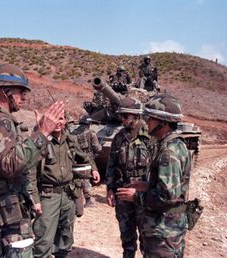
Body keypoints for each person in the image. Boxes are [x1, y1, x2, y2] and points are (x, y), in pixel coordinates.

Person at [0, 63, 65, 257]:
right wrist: (42, 133)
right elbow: (10, 165)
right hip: (8, 218)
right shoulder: (1, 121)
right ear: (5, 91)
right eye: (21, 91)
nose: (24, 96)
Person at [117, 94, 191, 258]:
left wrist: (136, 196)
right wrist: (147, 185)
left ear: (163, 122)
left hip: (164, 231)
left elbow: (167, 197)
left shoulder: (168, 152)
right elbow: (172, 187)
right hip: (168, 226)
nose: (146, 121)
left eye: (150, 118)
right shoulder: (176, 144)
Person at [31, 112, 101, 258]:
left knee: (65, 237)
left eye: (61, 118)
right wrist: (35, 200)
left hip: (68, 195)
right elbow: (30, 172)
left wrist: (93, 169)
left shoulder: (70, 140)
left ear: (66, 121)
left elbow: (85, 155)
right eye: (55, 118)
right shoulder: (40, 141)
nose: (58, 122)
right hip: (48, 196)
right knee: (43, 240)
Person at [105, 96, 151, 258]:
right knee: (126, 232)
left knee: (147, 235)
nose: (122, 119)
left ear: (136, 116)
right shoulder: (119, 138)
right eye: (121, 116)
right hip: (123, 190)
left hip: (143, 192)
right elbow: (112, 164)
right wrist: (110, 189)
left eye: (125, 116)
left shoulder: (149, 138)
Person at [71, 115, 102, 208]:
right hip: (86, 159)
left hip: (75, 159)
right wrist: (101, 145)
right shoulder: (91, 133)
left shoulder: (74, 132)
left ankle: (75, 199)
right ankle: (88, 200)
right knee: (85, 178)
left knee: (76, 179)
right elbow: (97, 148)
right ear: (89, 124)